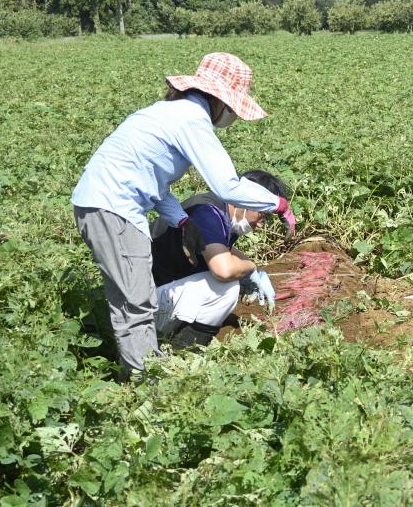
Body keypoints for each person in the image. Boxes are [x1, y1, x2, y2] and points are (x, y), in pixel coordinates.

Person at [72, 52, 296, 378]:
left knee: (136, 300)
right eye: (232, 107)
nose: (232, 115)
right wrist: (277, 204)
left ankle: (146, 372)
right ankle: (146, 387)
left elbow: (155, 184)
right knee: (136, 305)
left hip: (107, 204)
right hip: (112, 207)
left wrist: (181, 220)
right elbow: (228, 184)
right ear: (218, 99)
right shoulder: (191, 119)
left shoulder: (169, 113)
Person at [149, 170, 288, 349]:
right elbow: (223, 270)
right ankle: (182, 350)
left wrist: (255, 271)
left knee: (228, 270)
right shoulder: (207, 213)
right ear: (247, 199)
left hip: (153, 292)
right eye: (263, 214)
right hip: (143, 305)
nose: (262, 224)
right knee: (225, 287)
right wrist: (250, 268)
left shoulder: (221, 211)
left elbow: (221, 248)